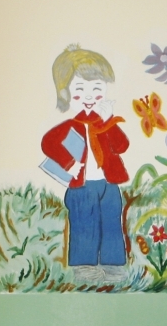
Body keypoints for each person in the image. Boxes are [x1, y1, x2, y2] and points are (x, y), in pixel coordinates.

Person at [41, 45, 131, 269]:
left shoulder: (105, 124)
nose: (90, 96)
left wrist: (109, 122)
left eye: (97, 88)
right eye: (80, 89)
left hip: (109, 185)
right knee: (84, 228)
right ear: (66, 94)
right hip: (81, 187)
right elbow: (48, 143)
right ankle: (84, 270)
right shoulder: (71, 126)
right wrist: (69, 164)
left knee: (111, 226)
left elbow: (122, 146)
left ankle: (114, 268)